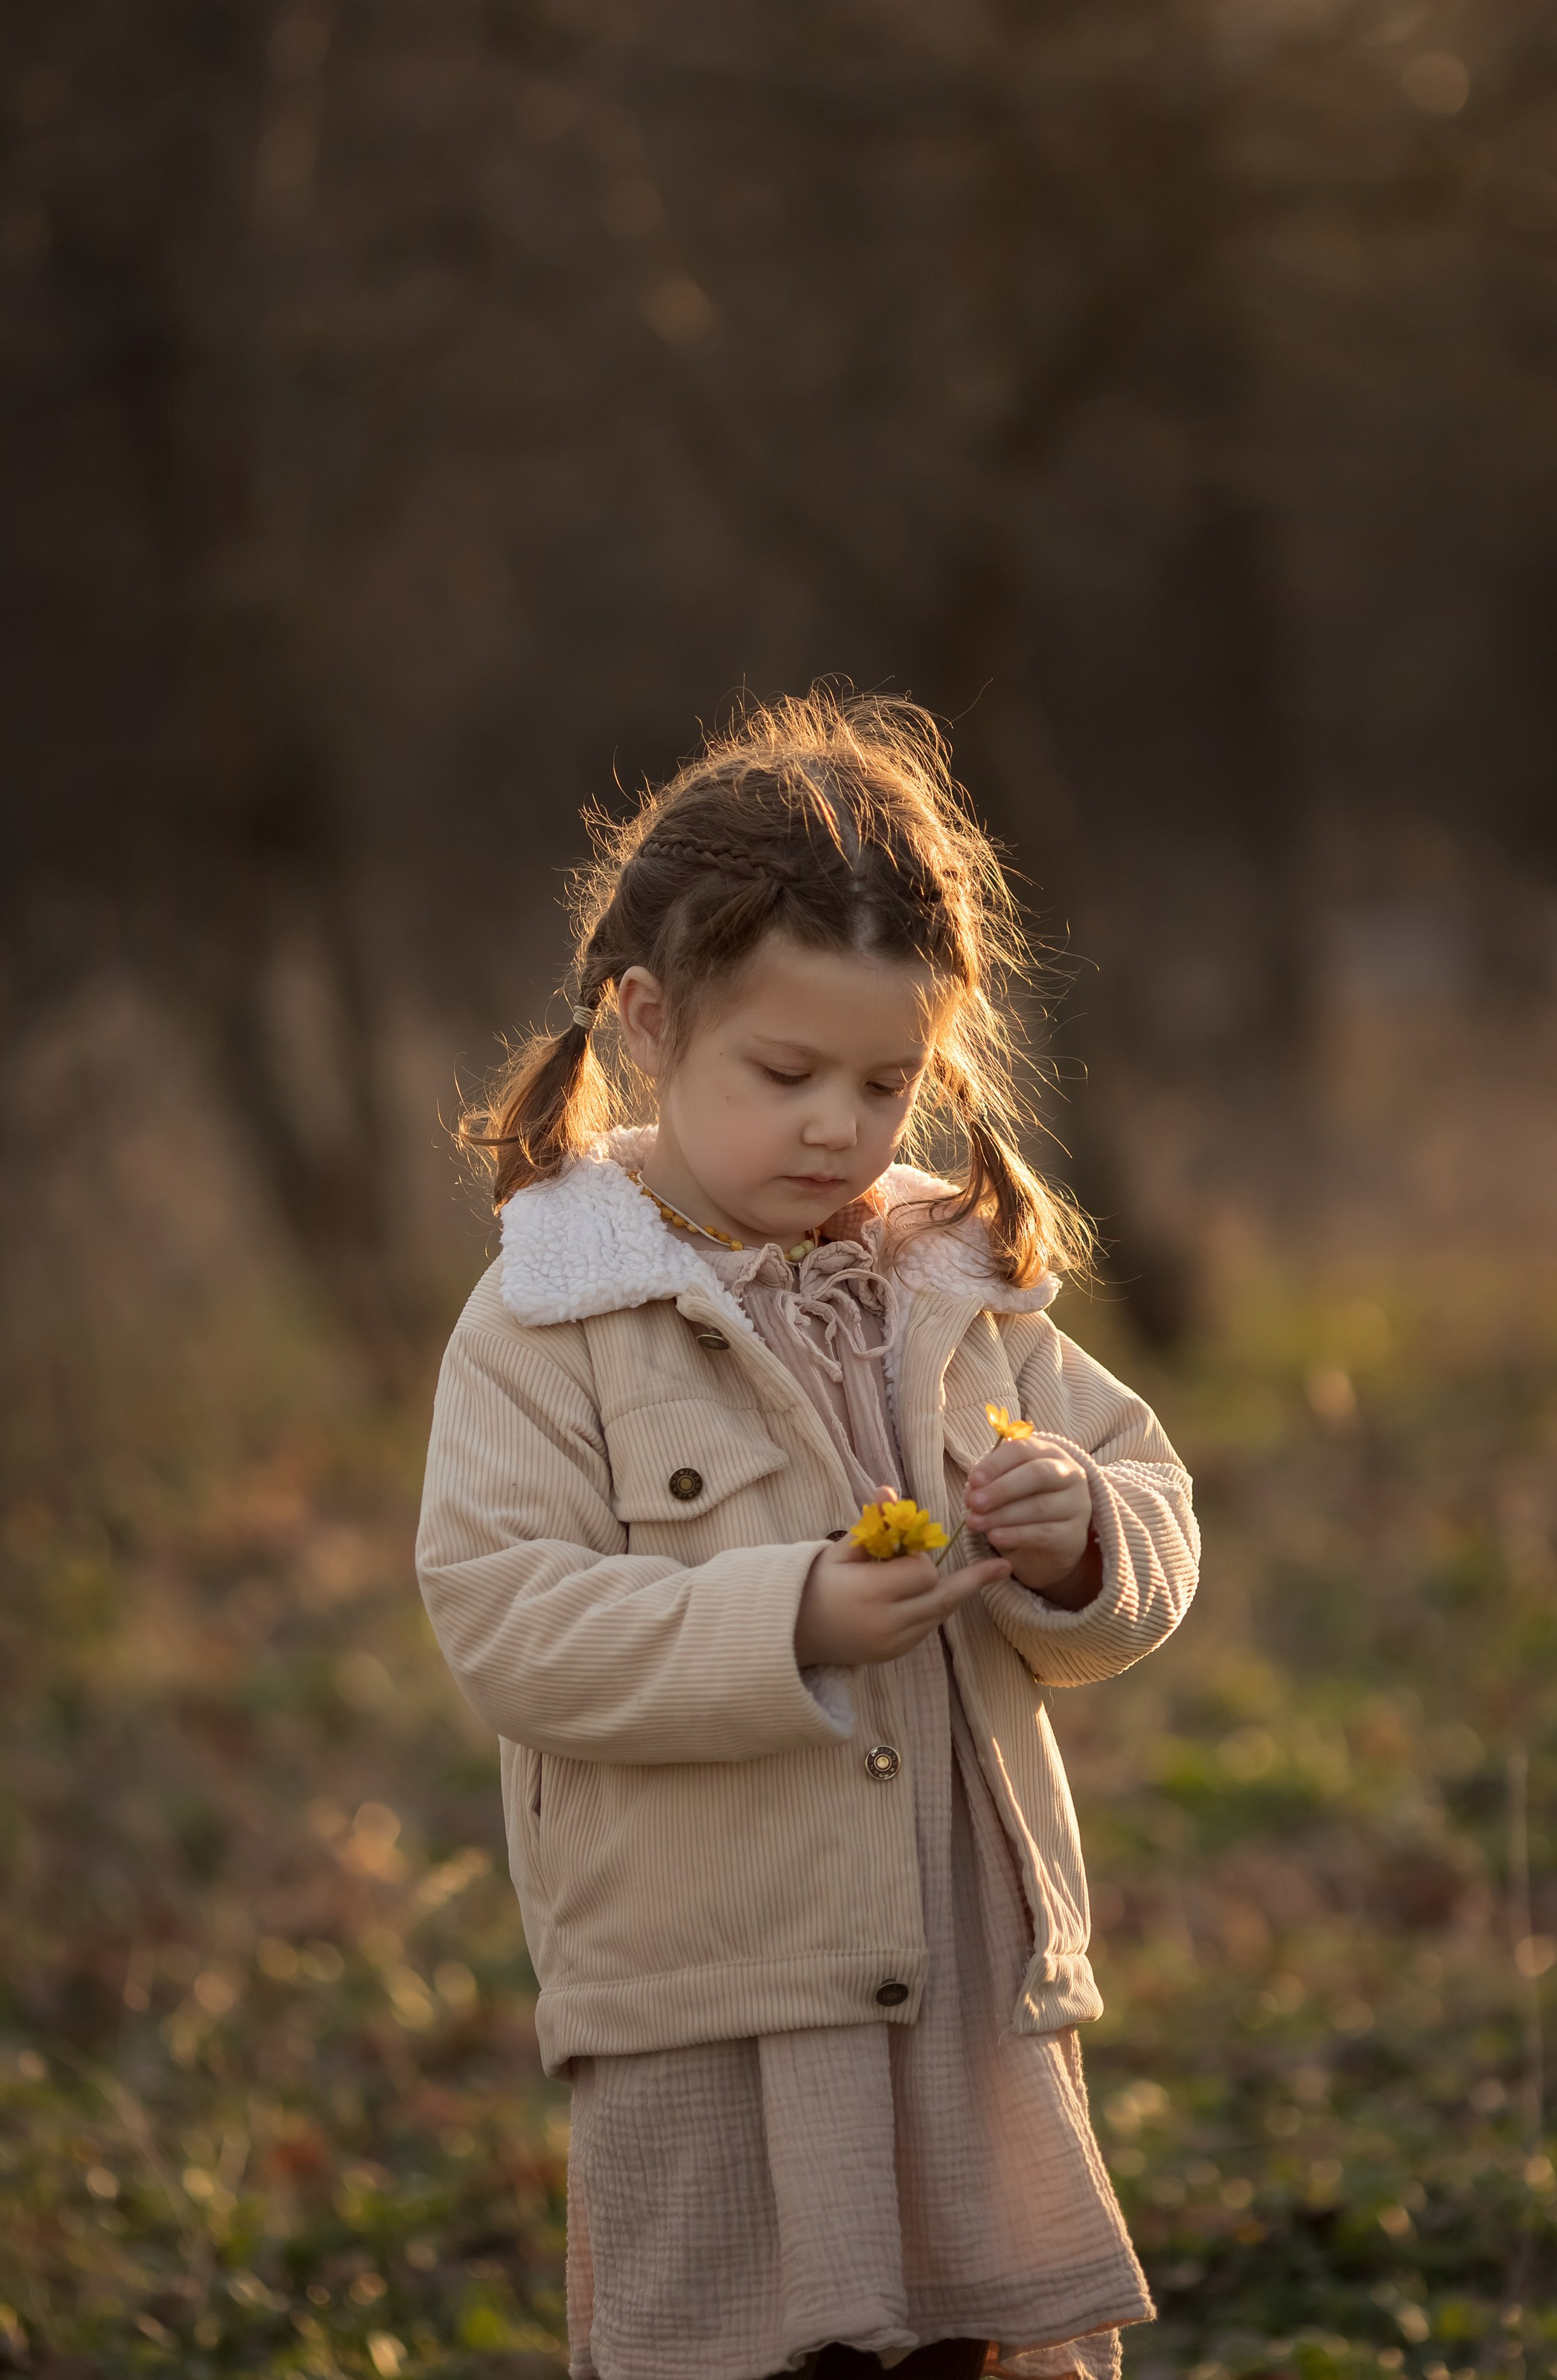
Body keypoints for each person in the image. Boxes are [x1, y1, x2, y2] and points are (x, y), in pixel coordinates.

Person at [417, 689, 1199, 2380]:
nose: (840, 1127)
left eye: (885, 1080)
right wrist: (785, 1622)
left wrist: (1079, 1536)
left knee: (970, 2350)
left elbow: (1154, 1507)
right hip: (717, 1999)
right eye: (784, 1075)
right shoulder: (553, 1314)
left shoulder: (954, 1279)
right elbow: (503, 1618)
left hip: (965, 1981)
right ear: (642, 1022)